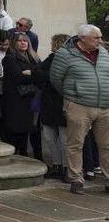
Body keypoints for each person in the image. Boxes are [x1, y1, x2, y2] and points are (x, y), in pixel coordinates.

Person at [49, 24, 109, 195]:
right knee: (75, 144)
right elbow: (56, 79)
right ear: (82, 38)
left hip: (104, 105)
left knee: (107, 145)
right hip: (79, 105)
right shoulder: (65, 54)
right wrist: (73, 94)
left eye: (100, 37)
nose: (100, 41)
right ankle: (76, 179)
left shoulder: (103, 53)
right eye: (96, 38)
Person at [1, 32, 45, 157]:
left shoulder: (34, 57)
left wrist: (30, 72)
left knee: (35, 130)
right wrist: (35, 74)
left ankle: (38, 157)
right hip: (18, 100)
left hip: (34, 98)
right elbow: (18, 77)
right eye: (19, 41)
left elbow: (43, 75)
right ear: (14, 43)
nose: (23, 43)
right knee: (20, 132)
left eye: (25, 41)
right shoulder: (9, 58)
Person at [39, 33, 70, 181]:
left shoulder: (68, 60)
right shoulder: (51, 59)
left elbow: (40, 74)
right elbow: (39, 73)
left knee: (64, 139)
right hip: (50, 103)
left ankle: (66, 167)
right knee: (50, 137)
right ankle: (57, 165)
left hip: (62, 102)